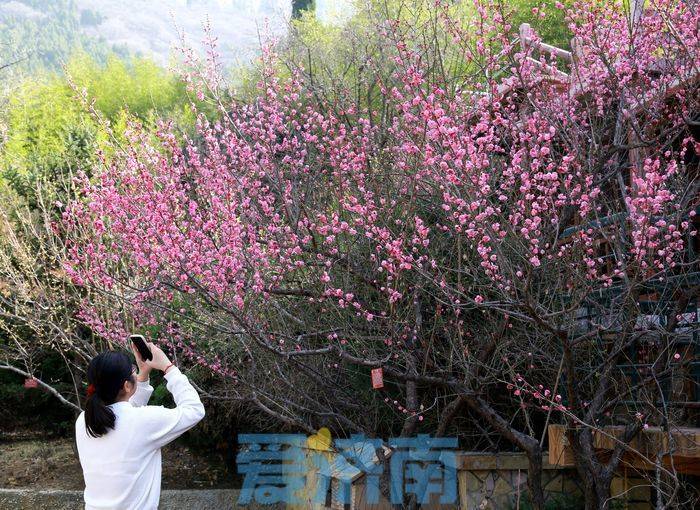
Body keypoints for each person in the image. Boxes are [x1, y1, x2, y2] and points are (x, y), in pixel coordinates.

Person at [75, 340, 205, 510]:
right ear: (126, 385)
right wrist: (168, 367)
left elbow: (125, 415)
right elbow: (194, 410)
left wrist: (142, 376)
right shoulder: (143, 421)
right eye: (133, 372)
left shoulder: (84, 420)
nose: (135, 374)